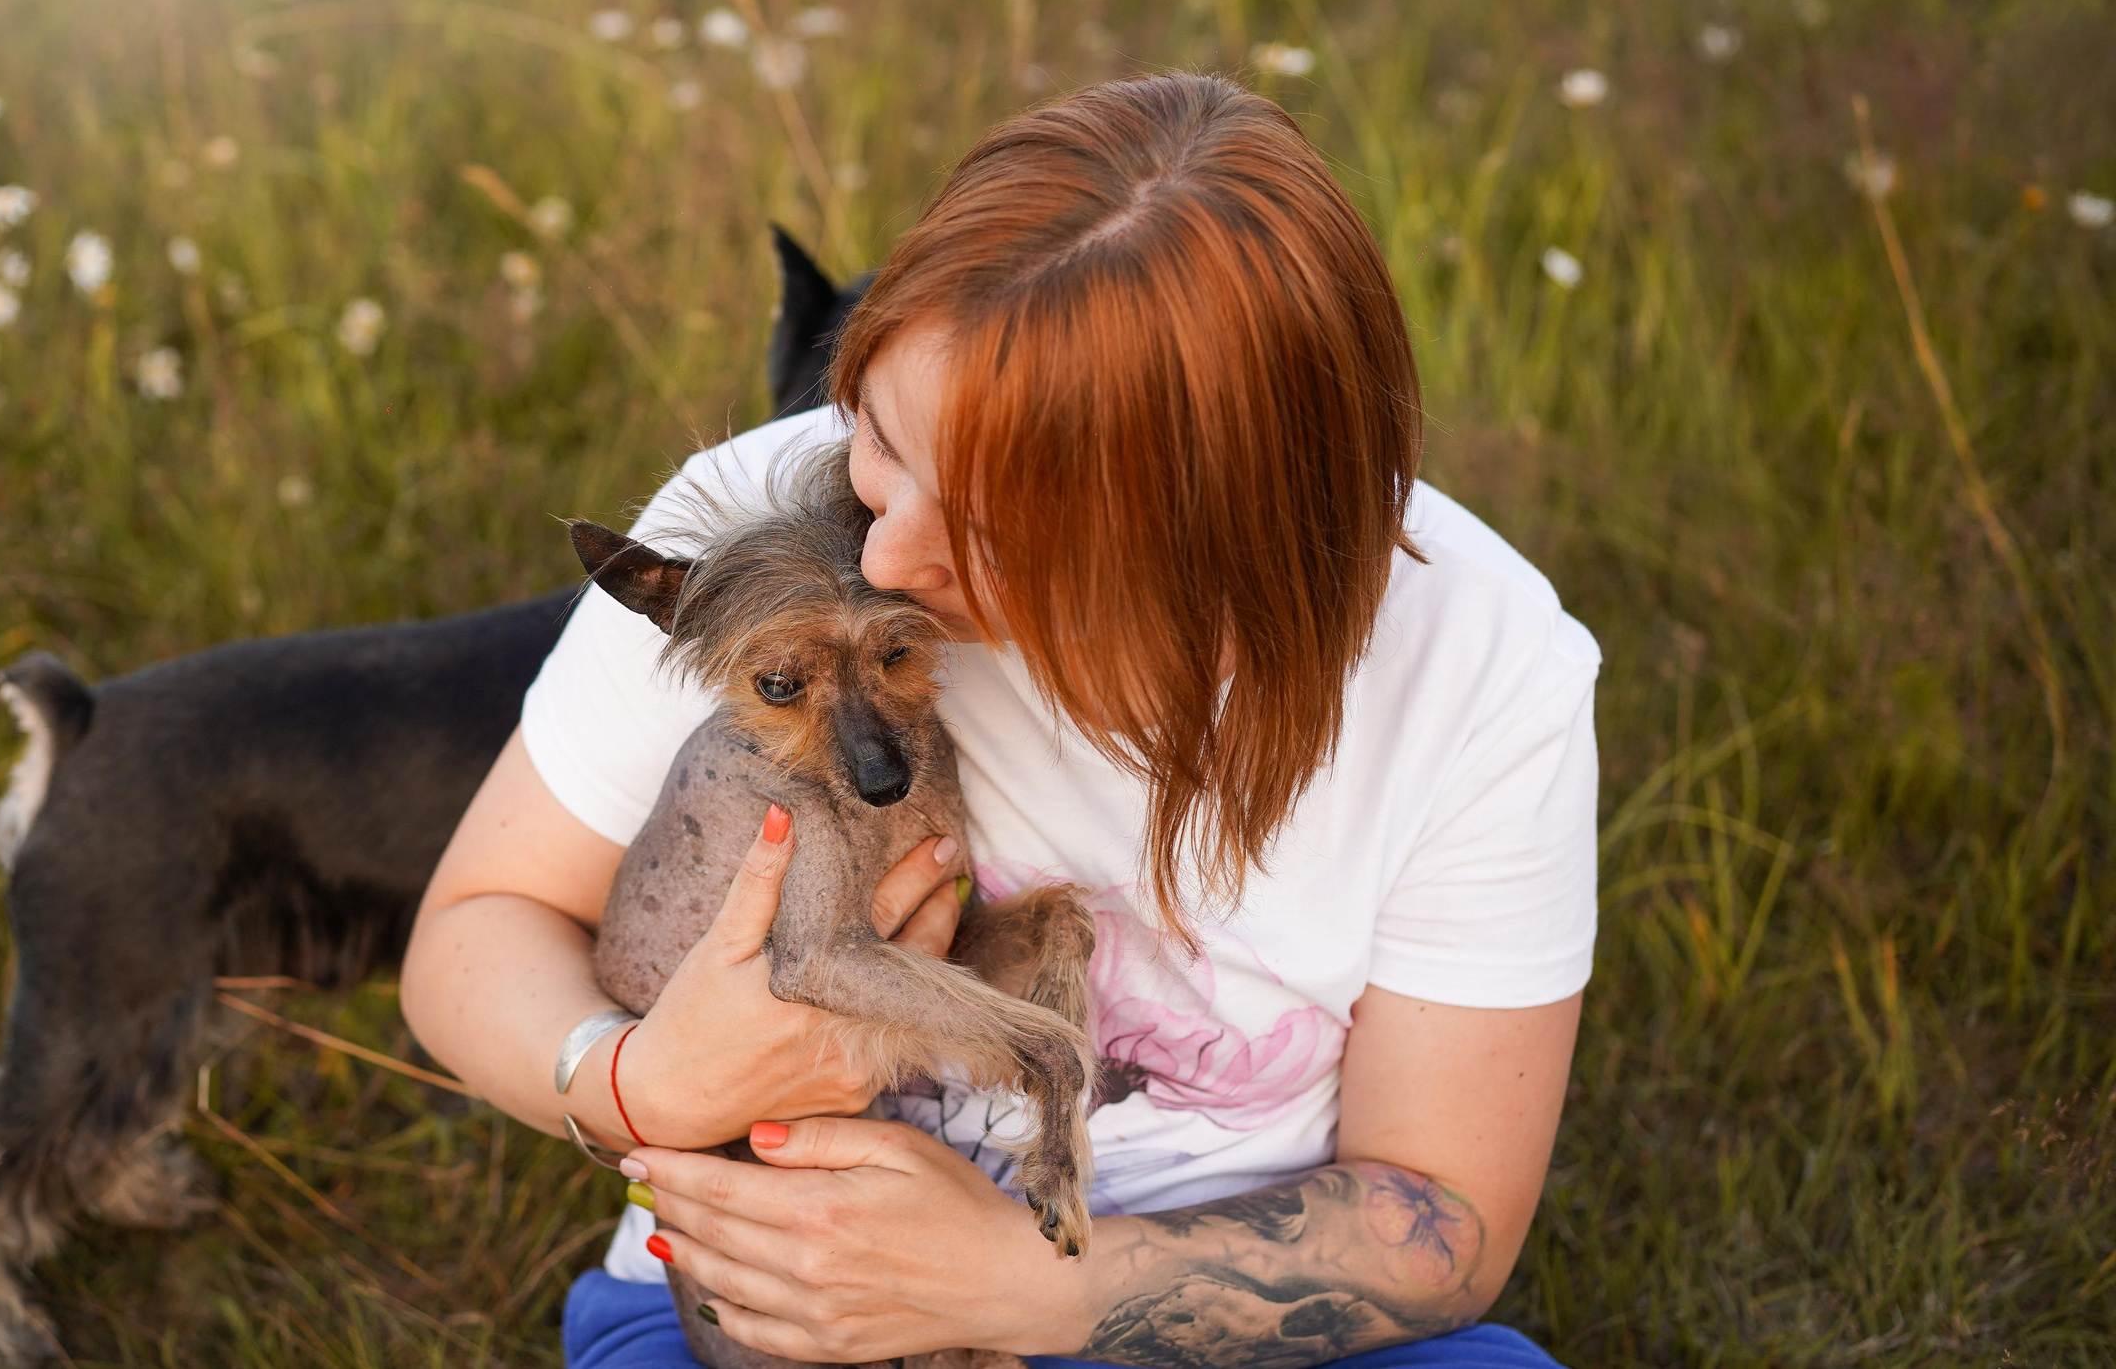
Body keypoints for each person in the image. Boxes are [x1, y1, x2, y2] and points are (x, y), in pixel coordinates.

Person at [402, 72, 1599, 1368]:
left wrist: (1025, 1290)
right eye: (878, 435)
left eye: (989, 527)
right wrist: (641, 1084)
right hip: (766, 1317)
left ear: (1206, 548)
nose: (889, 551)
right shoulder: (756, 549)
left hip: (1219, 1323)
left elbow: (1442, 1224)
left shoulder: (1477, 663)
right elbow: (473, 933)